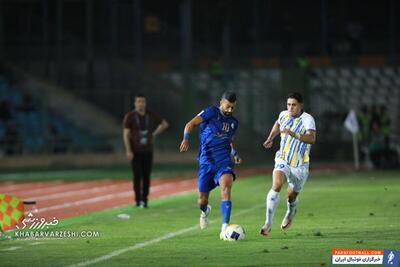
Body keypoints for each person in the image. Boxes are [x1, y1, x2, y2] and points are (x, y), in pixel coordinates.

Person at [179, 91, 242, 240]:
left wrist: (234, 153)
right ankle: (204, 211)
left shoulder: (234, 122)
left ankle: (224, 228)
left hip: (223, 161)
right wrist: (186, 139)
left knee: (226, 186)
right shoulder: (210, 112)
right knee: (202, 200)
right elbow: (190, 124)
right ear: (221, 102)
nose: (230, 110)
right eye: (227, 107)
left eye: (233, 108)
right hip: (206, 161)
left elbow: (228, 140)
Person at [260, 92, 316, 236]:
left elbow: (312, 138)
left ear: (300, 105)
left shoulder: (307, 119)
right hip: (283, 158)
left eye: (294, 105)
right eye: (289, 104)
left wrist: (294, 134)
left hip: (300, 166)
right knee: (277, 185)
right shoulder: (283, 114)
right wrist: (271, 137)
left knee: (291, 196)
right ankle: (268, 223)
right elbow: (278, 123)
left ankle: (290, 212)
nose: (290, 108)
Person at [123, 94, 169, 208]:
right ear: (135, 103)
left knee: (146, 176)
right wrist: (128, 150)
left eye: (142, 101)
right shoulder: (130, 116)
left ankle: (145, 200)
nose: (141, 104)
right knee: (137, 175)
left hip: (148, 150)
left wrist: (154, 134)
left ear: (145, 103)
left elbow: (164, 124)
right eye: (138, 102)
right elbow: (126, 134)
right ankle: (138, 200)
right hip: (135, 151)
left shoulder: (151, 114)